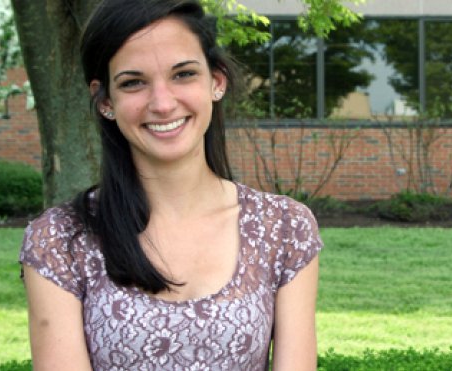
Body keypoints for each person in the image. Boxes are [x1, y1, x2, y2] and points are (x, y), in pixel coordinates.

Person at [19, 0, 323, 369]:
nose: (163, 104)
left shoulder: (285, 227)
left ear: (216, 81)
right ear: (105, 102)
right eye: (133, 83)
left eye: (183, 75)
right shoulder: (60, 240)